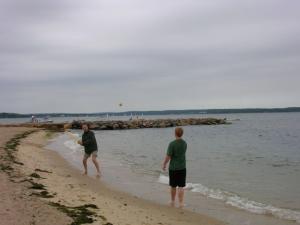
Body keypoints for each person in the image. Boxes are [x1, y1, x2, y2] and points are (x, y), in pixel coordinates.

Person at [162, 127, 187, 208]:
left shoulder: (172, 144)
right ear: (182, 134)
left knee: (173, 186)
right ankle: (181, 203)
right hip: (182, 167)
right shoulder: (184, 143)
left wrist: (164, 164)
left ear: (175, 133)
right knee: (181, 186)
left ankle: (172, 201)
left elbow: (168, 156)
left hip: (173, 168)